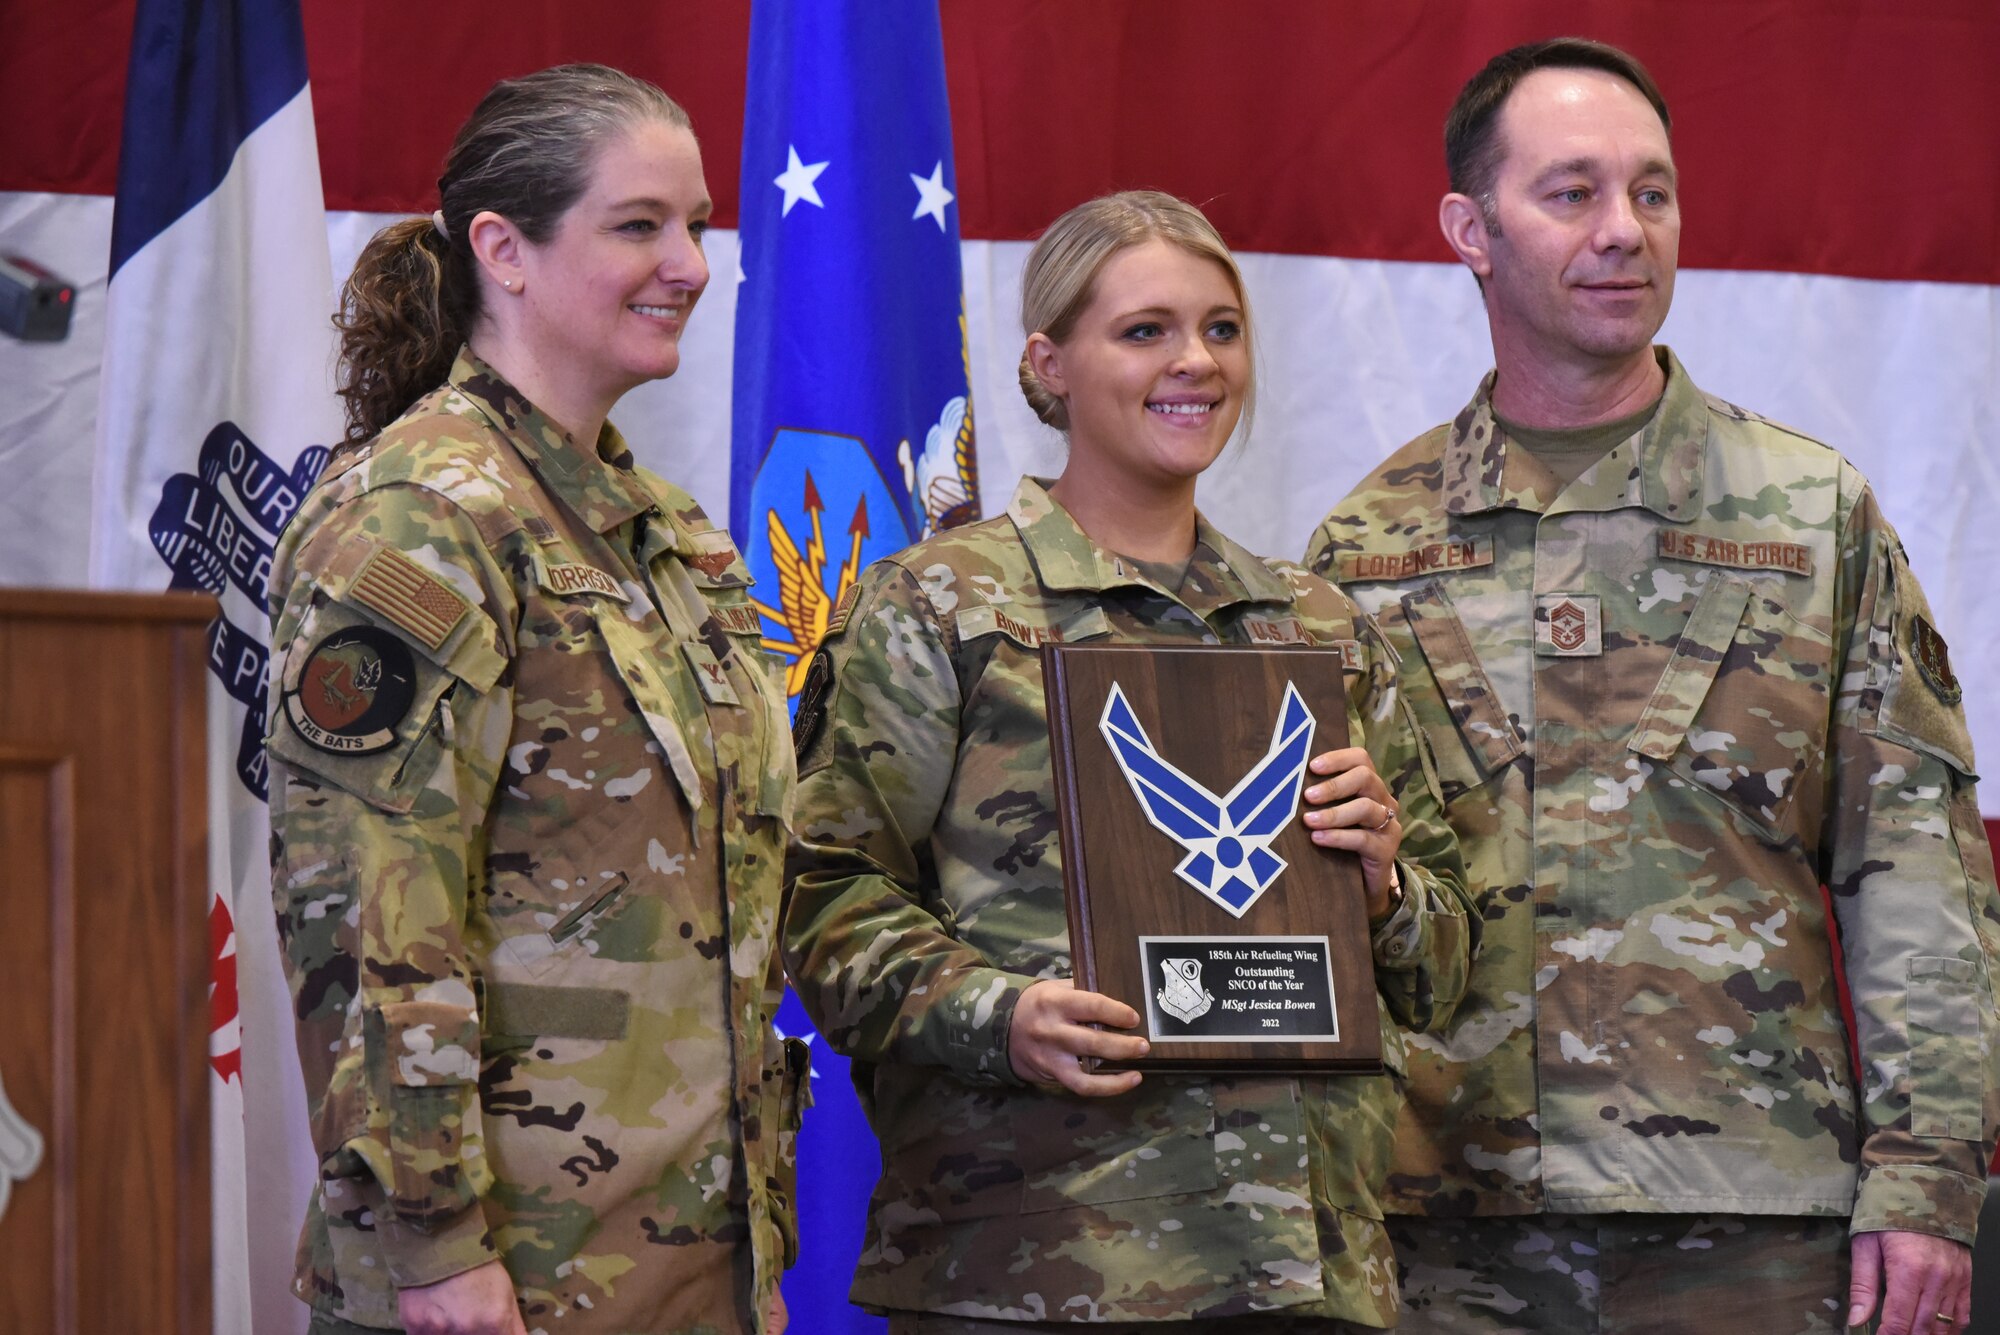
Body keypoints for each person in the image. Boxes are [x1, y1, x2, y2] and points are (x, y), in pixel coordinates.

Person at [1304, 38, 2000, 1335]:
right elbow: (1331, 895)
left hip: (1747, 1222)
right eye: (1572, 193)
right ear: (1470, 228)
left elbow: (1917, 869)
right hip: (1437, 1218)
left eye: (1654, 192)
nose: (1625, 230)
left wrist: (1927, 1176)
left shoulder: (1810, 516)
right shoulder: (1367, 544)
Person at [783, 190, 1479, 1332]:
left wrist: (1384, 882)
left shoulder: (1319, 628)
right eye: (1144, 330)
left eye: (1219, 328)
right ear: (1049, 365)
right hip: (1040, 1265)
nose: (1193, 362)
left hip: (1303, 1268)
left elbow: (1445, 964)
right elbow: (818, 896)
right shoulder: (944, 606)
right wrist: (994, 1014)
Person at [265, 65, 801, 1335]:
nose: (690, 263)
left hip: (686, 1265)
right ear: (502, 249)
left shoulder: (658, 530)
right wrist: (436, 1248)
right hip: (503, 1282)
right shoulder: (423, 517)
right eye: (639, 225)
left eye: (696, 223)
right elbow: (366, 918)